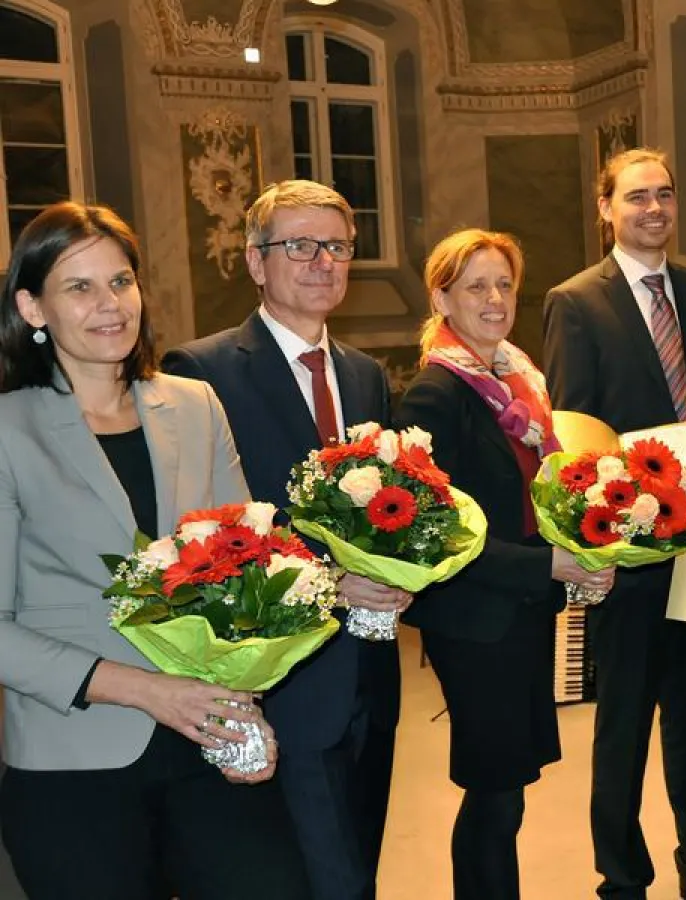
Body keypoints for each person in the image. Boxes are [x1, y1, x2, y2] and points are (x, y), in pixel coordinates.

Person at [0, 202, 309, 899]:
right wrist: (149, 691)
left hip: (205, 739)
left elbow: (250, 573)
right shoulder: (8, 430)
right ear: (32, 306)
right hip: (74, 758)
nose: (110, 304)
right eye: (80, 287)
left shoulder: (195, 405)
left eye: (121, 281)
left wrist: (244, 703)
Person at [161, 180, 407, 900]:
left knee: (362, 864)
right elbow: (209, 536)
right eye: (299, 245)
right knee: (319, 881)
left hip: (371, 668)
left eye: (337, 246)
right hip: (282, 678)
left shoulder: (363, 375)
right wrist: (329, 581)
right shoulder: (201, 372)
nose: (322, 262)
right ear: (254, 261)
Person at [544, 148, 686, 900]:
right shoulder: (575, 301)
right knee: (624, 731)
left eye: (664, 193)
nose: (654, 208)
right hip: (629, 553)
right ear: (606, 208)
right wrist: (625, 502)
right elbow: (573, 434)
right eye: (636, 196)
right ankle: (623, 882)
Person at [394, 228, 614, 899]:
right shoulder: (435, 394)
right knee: (493, 791)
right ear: (442, 299)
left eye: (504, 285)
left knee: (509, 790)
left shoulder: (521, 381)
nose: (494, 299)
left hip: (520, 612)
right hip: (474, 621)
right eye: (475, 287)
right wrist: (548, 567)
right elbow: (436, 536)